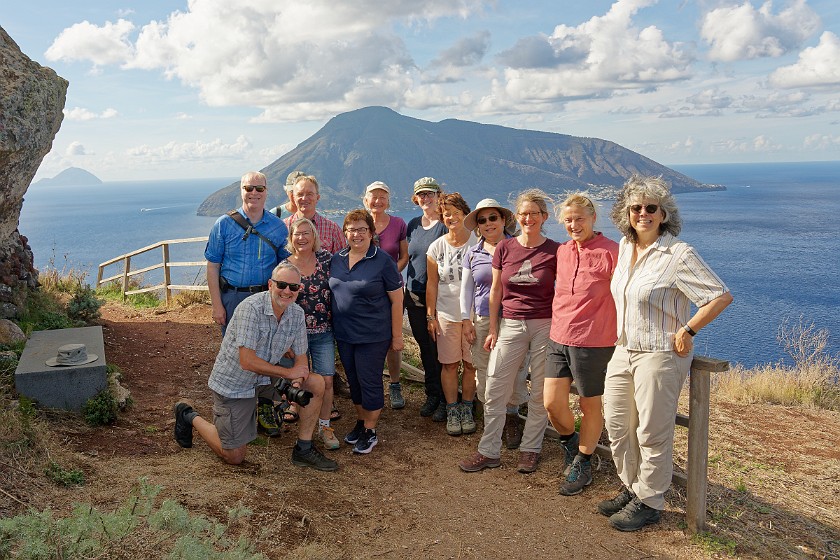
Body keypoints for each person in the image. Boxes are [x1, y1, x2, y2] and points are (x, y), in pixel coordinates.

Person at [600, 175, 732, 532]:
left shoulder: (678, 254)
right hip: (624, 348)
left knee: (652, 430)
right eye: (636, 207)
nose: (643, 213)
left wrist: (688, 330)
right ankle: (632, 487)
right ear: (626, 214)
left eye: (651, 208)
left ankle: (650, 500)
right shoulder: (625, 249)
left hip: (660, 353)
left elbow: (719, 295)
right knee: (616, 423)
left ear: (663, 214)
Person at [173, 262, 338, 472]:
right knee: (234, 456)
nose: (287, 291)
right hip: (235, 382)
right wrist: (288, 373)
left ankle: (303, 449)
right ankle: (189, 415)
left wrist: (296, 382)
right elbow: (247, 361)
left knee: (315, 383)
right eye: (282, 285)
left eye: (294, 287)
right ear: (270, 284)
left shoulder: (296, 313)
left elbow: (301, 357)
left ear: (299, 290)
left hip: (266, 378)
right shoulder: (250, 309)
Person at [459, 189, 559, 474]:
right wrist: (492, 328)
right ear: (518, 216)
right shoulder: (505, 248)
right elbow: (495, 291)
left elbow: (563, 291)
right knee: (494, 385)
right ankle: (489, 450)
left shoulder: (555, 250)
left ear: (544, 217)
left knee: (539, 389)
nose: (529, 218)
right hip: (510, 323)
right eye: (524, 213)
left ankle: (530, 449)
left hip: (544, 324)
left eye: (534, 214)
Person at [204, 170, 291, 438]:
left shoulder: (277, 227)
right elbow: (212, 265)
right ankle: (238, 409)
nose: (253, 193)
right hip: (232, 297)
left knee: (266, 351)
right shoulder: (223, 224)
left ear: (267, 191)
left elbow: (285, 266)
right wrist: (217, 305)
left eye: (259, 188)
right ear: (240, 190)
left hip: (265, 298)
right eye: (248, 188)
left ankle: (264, 407)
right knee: (236, 353)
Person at [544, 193, 619, 497]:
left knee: (589, 406)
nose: (574, 224)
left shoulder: (612, 251)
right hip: (558, 336)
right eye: (569, 220)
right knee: (551, 403)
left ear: (593, 218)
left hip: (594, 340)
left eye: (579, 218)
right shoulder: (562, 251)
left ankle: (584, 462)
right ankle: (571, 445)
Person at [329, 209, 404, 454]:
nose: (356, 234)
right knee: (354, 381)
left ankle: (371, 430)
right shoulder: (336, 259)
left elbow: (397, 300)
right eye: (351, 229)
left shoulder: (383, 261)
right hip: (344, 334)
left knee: (369, 381)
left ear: (371, 233)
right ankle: (361, 422)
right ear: (345, 233)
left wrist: (397, 336)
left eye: (362, 229)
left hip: (373, 334)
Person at [460, 198, 528, 448]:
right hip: (483, 318)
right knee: (484, 369)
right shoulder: (473, 252)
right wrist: (465, 320)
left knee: (516, 370)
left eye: (493, 218)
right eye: (482, 220)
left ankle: (511, 418)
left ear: (502, 220)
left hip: (513, 316)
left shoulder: (518, 247)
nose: (488, 223)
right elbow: (466, 289)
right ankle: (492, 421)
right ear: (477, 226)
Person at [283, 218, 339, 450]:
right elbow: (279, 301)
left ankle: (325, 427)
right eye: (297, 233)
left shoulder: (327, 259)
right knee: (300, 379)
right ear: (291, 238)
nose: (302, 238)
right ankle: (304, 428)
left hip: (324, 331)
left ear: (314, 236)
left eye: (306, 233)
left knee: (326, 380)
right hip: (296, 334)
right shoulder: (285, 266)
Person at [426, 193, 477, 436]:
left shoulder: (477, 243)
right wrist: (430, 316)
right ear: (442, 217)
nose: (452, 217)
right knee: (448, 365)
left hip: (474, 315)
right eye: (447, 213)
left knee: (470, 365)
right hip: (446, 314)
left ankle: (467, 408)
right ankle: (452, 408)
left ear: (465, 214)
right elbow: (432, 284)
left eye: (457, 212)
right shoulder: (436, 247)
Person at [405, 177, 448, 421]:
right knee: (425, 347)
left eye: (430, 194)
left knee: (440, 348)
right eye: (421, 194)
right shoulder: (413, 225)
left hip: (440, 296)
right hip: (413, 295)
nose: (426, 198)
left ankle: (445, 397)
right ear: (416, 198)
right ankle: (432, 393)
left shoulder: (445, 224)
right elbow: (408, 258)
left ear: (438, 195)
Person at [363, 181, 408, 409]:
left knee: (393, 338)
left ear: (388, 201)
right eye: (374, 196)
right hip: (367, 292)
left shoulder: (398, 224)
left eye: (382, 197)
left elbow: (404, 256)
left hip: (392, 291)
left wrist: (389, 277)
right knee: (369, 338)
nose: (378, 201)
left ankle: (395, 384)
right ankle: (371, 384)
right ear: (365, 200)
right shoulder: (360, 223)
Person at [284, 175, 346, 254]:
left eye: (309, 194)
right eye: (300, 194)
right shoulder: (283, 227)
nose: (304, 198)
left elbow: (342, 261)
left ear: (317, 197)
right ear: (293, 198)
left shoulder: (333, 229)